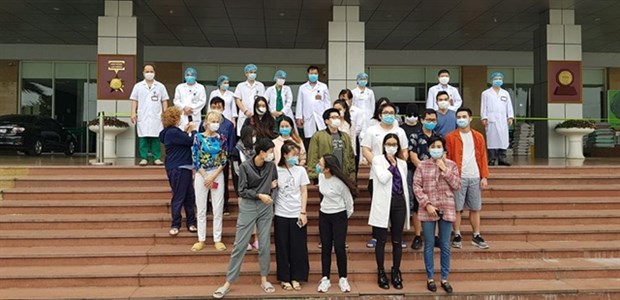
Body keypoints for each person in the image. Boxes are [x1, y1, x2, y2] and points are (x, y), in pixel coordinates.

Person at [212, 138, 278, 299]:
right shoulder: (245, 166)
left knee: (264, 244)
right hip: (249, 205)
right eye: (270, 152)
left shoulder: (271, 166)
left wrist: (271, 198)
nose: (272, 155)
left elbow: (275, 185)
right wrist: (259, 195)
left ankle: (264, 279)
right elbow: (241, 190)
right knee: (239, 245)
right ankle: (228, 281)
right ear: (262, 152)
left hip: (266, 207)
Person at [413, 136, 461, 295]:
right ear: (428, 149)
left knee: (445, 245)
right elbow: (417, 187)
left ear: (444, 149)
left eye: (439, 146)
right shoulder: (422, 166)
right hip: (428, 209)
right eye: (433, 146)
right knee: (429, 244)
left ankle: (445, 278)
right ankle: (430, 277)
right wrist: (426, 204)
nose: (436, 149)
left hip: (446, 207)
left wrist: (444, 170)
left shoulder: (451, 165)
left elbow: (456, 185)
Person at [362, 102, 409, 248]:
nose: (389, 115)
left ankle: (397, 236)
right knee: (378, 205)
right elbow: (366, 149)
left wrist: (399, 163)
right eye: (386, 112)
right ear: (380, 115)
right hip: (377, 175)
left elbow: (404, 151)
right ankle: (376, 236)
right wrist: (377, 164)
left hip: (396, 175)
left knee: (397, 206)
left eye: (391, 113)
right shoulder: (372, 130)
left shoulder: (400, 132)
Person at [368, 133, 410, 290]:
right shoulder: (377, 160)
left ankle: (396, 270)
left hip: (398, 201)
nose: (391, 147)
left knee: (397, 240)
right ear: (384, 145)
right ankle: (381, 271)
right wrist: (391, 166)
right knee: (381, 240)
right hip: (383, 202)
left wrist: (396, 164)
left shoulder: (403, 163)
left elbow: (403, 184)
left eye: (394, 144)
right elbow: (383, 178)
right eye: (388, 144)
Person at [445, 107, 490, 250]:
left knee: (475, 208)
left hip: (475, 176)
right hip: (459, 176)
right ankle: (457, 233)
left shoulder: (478, 136)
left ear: (470, 118)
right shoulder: (451, 137)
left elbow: (483, 156)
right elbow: (449, 158)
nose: (461, 119)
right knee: (457, 208)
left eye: (464, 116)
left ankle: (476, 234)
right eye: (458, 117)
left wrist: (484, 176)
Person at [316, 154, 356, 293]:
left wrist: (344, 217)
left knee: (339, 247)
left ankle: (343, 278)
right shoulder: (321, 178)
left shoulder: (339, 183)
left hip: (339, 216)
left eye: (320, 165)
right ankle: (325, 278)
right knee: (325, 247)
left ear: (327, 168)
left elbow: (349, 203)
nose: (318, 166)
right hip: (324, 215)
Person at [274, 141, 310, 291]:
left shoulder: (300, 171)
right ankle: (284, 277)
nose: (295, 157)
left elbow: (304, 191)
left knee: (298, 246)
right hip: (281, 213)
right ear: (284, 155)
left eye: (297, 154)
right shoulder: (276, 170)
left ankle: (297, 276)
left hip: (296, 213)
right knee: (282, 246)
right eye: (293, 154)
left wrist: (303, 211)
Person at [191, 111, 228, 252]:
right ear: (205, 122)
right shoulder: (198, 137)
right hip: (202, 174)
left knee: (218, 208)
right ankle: (201, 239)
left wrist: (213, 176)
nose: (214, 123)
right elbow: (195, 157)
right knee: (201, 208)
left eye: (217, 121)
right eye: (212, 120)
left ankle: (217, 239)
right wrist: (205, 175)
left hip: (217, 174)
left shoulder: (221, 138)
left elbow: (224, 159)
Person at [158, 106, 197, 236]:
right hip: (180, 167)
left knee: (189, 196)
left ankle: (191, 222)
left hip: (178, 167)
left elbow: (182, 141)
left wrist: (185, 132)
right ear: (175, 119)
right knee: (180, 196)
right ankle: (176, 224)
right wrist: (194, 130)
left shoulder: (169, 133)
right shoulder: (173, 133)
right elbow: (191, 141)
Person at [408, 109, 441, 250]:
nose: (431, 122)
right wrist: (424, 170)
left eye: (433, 120)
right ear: (422, 120)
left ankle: (434, 236)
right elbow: (413, 156)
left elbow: (443, 155)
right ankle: (417, 235)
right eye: (428, 119)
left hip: (437, 177)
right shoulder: (415, 136)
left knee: (436, 203)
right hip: (419, 175)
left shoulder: (438, 136)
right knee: (418, 205)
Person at [130, 64, 169, 166]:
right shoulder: (138, 86)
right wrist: (133, 112)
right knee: (143, 138)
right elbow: (134, 100)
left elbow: (164, 100)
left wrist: (165, 113)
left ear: (154, 73)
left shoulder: (160, 86)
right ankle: (144, 158)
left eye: (151, 71)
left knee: (156, 138)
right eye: (147, 71)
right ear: (143, 73)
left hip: (157, 116)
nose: (149, 73)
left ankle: (157, 158)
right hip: (143, 115)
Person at [229, 125, 260, 250]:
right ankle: (245, 240)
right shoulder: (237, 150)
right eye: (252, 136)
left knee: (257, 215)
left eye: (255, 136)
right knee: (245, 215)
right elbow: (236, 170)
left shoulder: (257, 149)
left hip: (257, 186)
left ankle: (257, 239)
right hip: (243, 187)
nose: (254, 138)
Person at [204, 97, 237, 216]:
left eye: (219, 107)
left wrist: (227, 156)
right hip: (206, 159)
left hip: (222, 159)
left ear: (223, 108)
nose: (216, 109)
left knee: (222, 182)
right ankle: (207, 204)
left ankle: (224, 205)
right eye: (214, 107)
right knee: (207, 181)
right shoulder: (205, 123)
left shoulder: (228, 124)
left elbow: (231, 142)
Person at [307, 108, 356, 182]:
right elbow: (313, 156)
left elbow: (351, 157)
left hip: (343, 175)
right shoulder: (318, 136)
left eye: (338, 117)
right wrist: (314, 175)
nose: (336, 119)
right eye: (333, 117)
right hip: (326, 175)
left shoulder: (345, 136)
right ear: (326, 121)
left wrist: (352, 175)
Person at [481, 72, 514, 166]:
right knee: (492, 139)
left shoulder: (505, 93)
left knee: (503, 139)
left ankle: (502, 158)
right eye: (496, 79)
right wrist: (484, 117)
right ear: (491, 80)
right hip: (491, 120)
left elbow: (509, 106)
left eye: (500, 79)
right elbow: (483, 107)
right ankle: (492, 158)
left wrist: (510, 116)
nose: (498, 80)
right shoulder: (486, 93)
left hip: (503, 120)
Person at [295, 65, 331, 151]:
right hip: (308, 116)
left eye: (315, 73)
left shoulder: (323, 86)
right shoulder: (303, 87)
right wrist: (299, 117)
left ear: (318, 74)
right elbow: (300, 102)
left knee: (322, 137)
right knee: (309, 138)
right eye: (311, 73)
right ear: (308, 74)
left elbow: (327, 102)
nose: (313, 75)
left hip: (320, 116)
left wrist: (329, 115)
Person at [337, 89, 366, 175]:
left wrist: (348, 132)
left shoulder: (357, 111)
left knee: (353, 165)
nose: (343, 101)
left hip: (352, 138)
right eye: (341, 99)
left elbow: (359, 127)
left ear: (350, 99)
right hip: (338, 141)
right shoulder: (335, 112)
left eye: (344, 99)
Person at [234, 64, 265, 136]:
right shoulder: (240, 86)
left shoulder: (260, 85)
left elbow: (262, 101)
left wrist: (259, 112)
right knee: (244, 135)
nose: (253, 74)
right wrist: (245, 111)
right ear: (246, 74)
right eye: (251, 72)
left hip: (258, 115)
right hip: (244, 115)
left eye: (254, 72)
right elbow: (238, 100)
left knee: (258, 135)